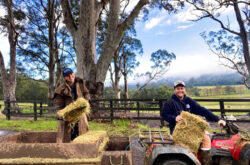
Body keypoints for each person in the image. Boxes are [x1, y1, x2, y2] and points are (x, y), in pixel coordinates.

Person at [162, 80, 226, 165]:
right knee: (205, 139)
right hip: (177, 132)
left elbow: (201, 110)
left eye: (182, 88)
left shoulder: (188, 100)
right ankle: (206, 162)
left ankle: (204, 159)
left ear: (184, 89)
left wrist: (217, 119)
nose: (180, 90)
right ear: (174, 90)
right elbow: (164, 115)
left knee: (207, 135)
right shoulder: (170, 102)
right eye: (178, 88)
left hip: (190, 129)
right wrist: (174, 118)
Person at [54, 68, 90, 143]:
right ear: (65, 78)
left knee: (82, 132)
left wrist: (86, 101)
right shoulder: (61, 89)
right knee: (68, 135)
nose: (70, 77)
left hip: (80, 113)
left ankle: (82, 150)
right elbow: (58, 106)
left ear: (73, 73)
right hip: (69, 116)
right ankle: (68, 151)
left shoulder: (80, 83)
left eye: (71, 74)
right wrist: (64, 117)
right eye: (67, 76)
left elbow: (86, 93)